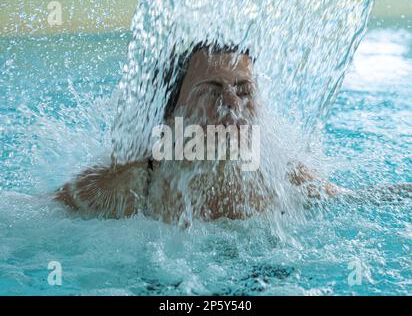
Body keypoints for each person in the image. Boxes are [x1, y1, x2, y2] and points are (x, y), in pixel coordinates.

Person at [54, 41, 348, 222]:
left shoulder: (281, 176)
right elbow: (31, 215)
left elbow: (357, 203)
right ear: (170, 112)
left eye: (244, 89)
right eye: (211, 91)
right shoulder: (133, 182)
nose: (232, 103)